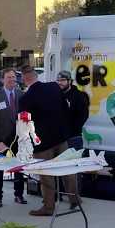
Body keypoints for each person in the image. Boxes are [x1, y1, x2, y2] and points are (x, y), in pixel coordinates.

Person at [18, 65, 79, 216]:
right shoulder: (53, 87)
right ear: (35, 76)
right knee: (67, 169)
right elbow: (66, 109)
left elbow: (24, 124)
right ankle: (74, 200)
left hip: (43, 144)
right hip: (60, 138)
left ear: (25, 79)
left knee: (46, 175)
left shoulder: (25, 98)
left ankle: (48, 207)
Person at [0, 68, 26, 208]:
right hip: (2, 141)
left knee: (19, 167)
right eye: (9, 77)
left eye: (14, 77)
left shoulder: (22, 95)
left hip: (18, 139)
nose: (12, 79)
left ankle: (19, 194)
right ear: (2, 79)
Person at [56, 70, 89, 150]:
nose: (60, 83)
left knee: (74, 161)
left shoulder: (79, 96)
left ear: (70, 81)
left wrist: (72, 130)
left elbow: (83, 115)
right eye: (58, 80)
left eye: (63, 80)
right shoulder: (56, 95)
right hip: (58, 139)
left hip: (73, 138)